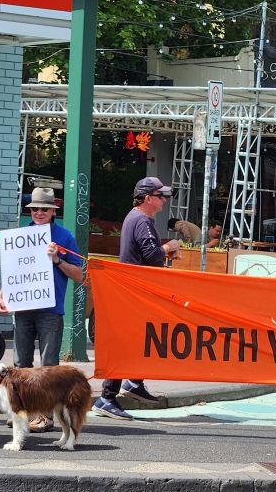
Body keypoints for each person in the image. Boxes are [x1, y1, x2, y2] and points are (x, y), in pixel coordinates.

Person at [93, 176, 181, 421]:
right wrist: (169, 245)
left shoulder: (136, 218)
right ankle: (107, 398)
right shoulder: (142, 220)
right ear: (147, 198)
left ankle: (133, 382)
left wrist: (165, 253)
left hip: (132, 291)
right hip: (133, 292)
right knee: (127, 342)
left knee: (139, 339)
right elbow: (151, 256)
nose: (164, 200)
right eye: (160, 196)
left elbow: (145, 256)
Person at [0, 187, 83, 431]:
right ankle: (20, 412)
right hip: (24, 308)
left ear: (53, 212)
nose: (39, 212)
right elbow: (15, 272)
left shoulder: (64, 237)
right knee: (20, 363)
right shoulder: (23, 235)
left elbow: (79, 275)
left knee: (48, 366)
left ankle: (45, 416)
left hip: (50, 310)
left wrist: (57, 260)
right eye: (34, 209)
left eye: (44, 209)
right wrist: (2, 294)